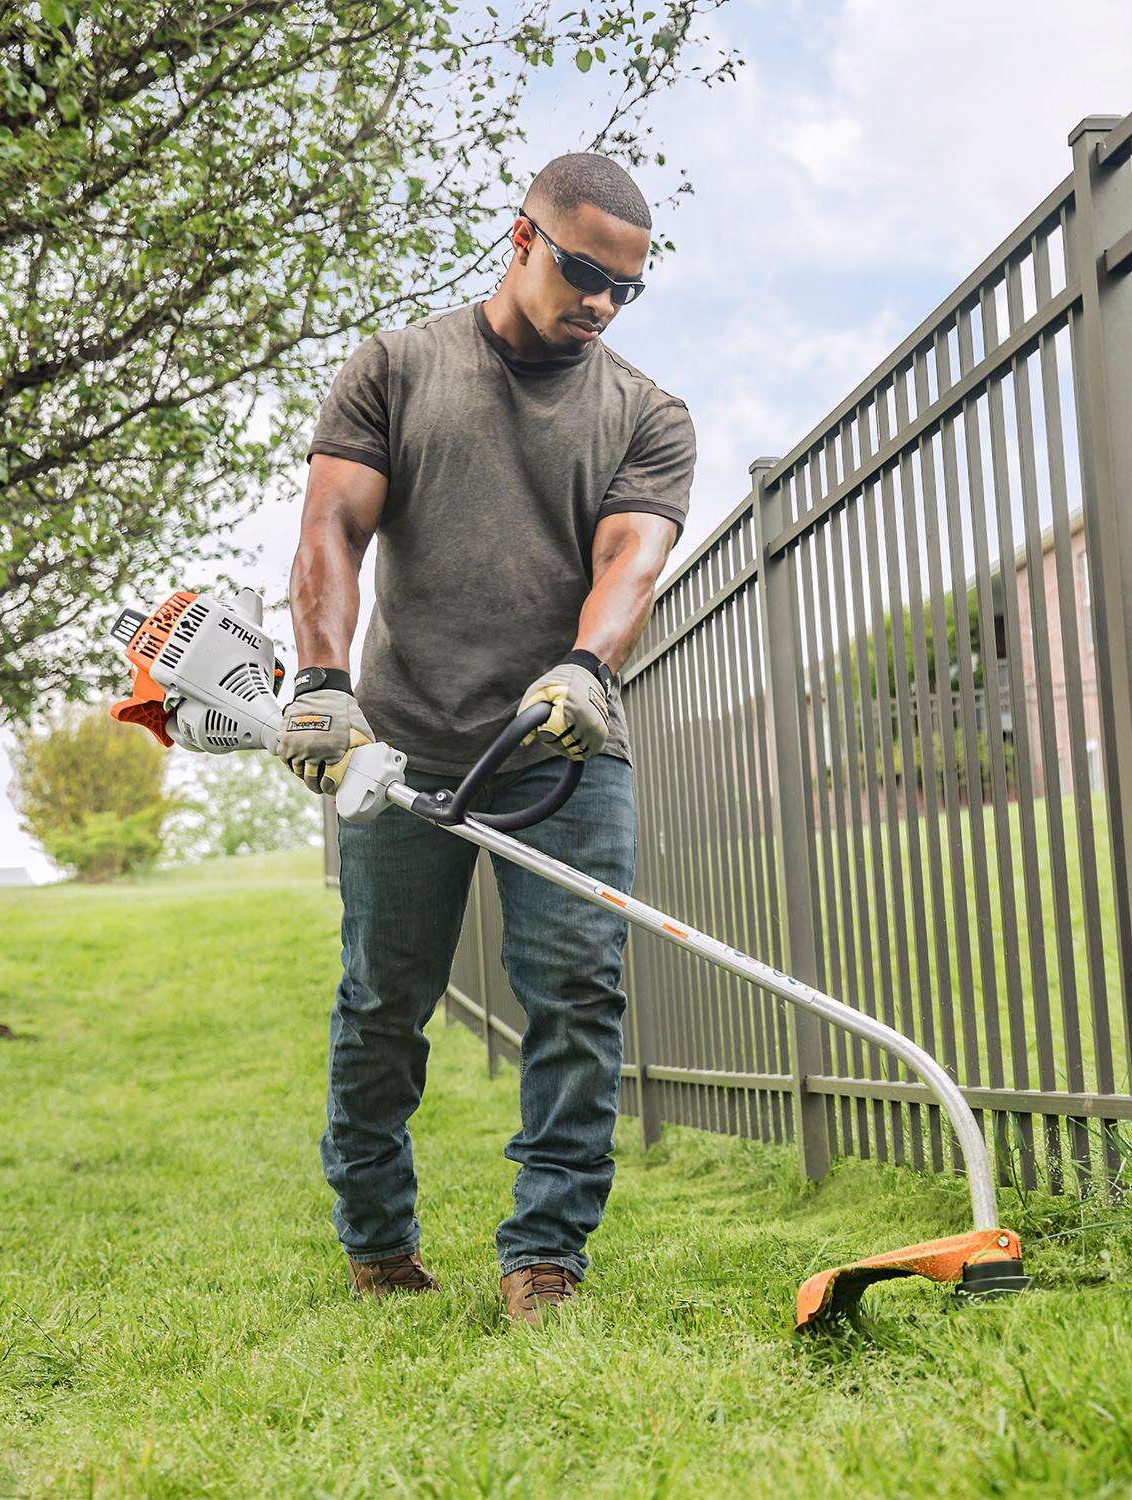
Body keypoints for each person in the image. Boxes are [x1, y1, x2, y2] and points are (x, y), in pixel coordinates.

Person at [278, 152, 695, 1326]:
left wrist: (584, 665)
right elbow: (331, 528)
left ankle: (545, 1253)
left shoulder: (647, 415)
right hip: (403, 739)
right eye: (582, 273)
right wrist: (320, 681)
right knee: (382, 999)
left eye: (627, 288)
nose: (602, 304)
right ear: (520, 239)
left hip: (563, 741)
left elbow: (634, 558)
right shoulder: (397, 369)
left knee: (578, 991)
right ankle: (377, 1239)